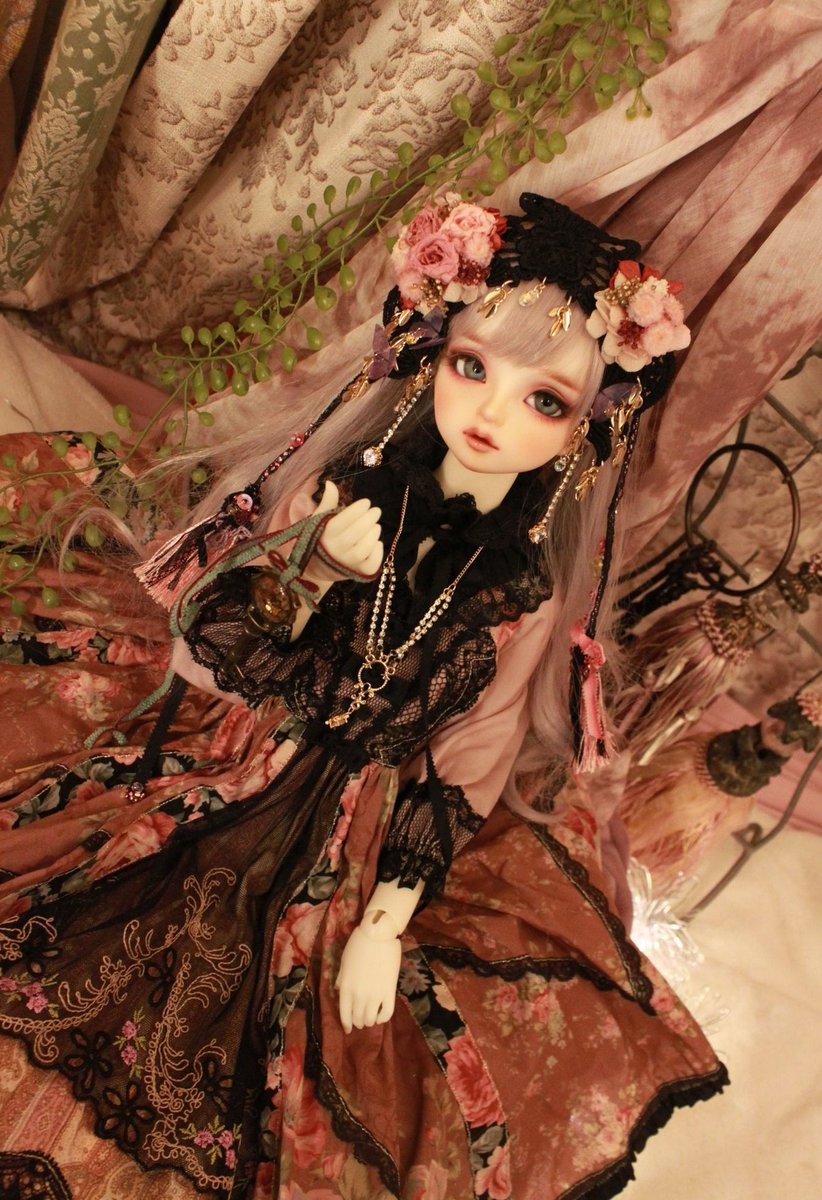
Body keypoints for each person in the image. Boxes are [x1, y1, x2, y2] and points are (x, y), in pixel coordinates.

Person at [0, 194, 725, 1200]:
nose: (489, 414)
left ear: (583, 435)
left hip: (347, 823)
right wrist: (310, 569)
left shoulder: (521, 595)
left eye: (545, 402)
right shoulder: (345, 489)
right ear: (430, 356)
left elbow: (471, 759)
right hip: (229, 743)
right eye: (471, 367)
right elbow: (205, 650)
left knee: (272, 1015)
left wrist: (385, 922)